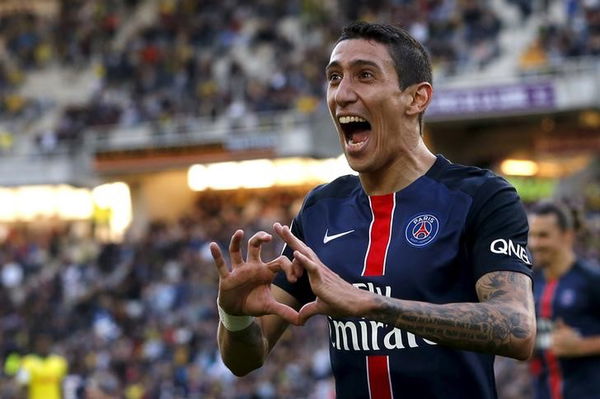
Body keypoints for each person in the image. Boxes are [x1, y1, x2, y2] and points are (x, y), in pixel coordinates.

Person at [210, 22, 536, 399]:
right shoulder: (321, 209)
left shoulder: (481, 196)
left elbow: (517, 329)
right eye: (334, 78)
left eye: (364, 75)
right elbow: (245, 359)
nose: (342, 94)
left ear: (416, 98)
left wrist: (376, 305)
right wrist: (234, 316)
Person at [528, 201, 600, 399]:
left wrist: (582, 346)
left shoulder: (592, 280)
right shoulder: (531, 282)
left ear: (567, 236)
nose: (534, 244)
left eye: (543, 235)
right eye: (531, 235)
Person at [16, 333, 68, 399]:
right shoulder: (27, 362)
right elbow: (23, 388)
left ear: (50, 343)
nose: (43, 345)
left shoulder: (59, 362)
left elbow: (62, 387)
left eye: (46, 342)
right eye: (41, 342)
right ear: (36, 344)